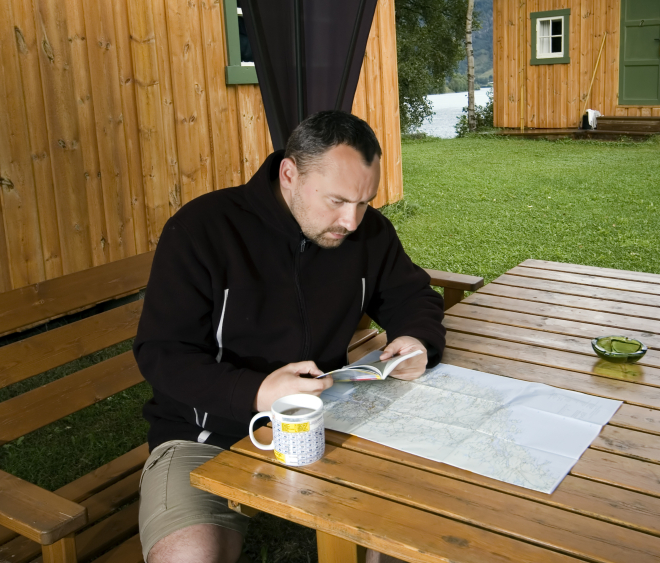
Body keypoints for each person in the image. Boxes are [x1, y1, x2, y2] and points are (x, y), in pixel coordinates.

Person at [133, 110, 446, 563]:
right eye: (337, 200)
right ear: (289, 174)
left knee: (412, 536)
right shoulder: (202, 230)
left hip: (331, 421)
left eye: (364, 201)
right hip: (205, 436)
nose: (353, 220)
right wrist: (257, 391)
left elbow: (410, 294)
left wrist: (417, 339)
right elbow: (161, 354)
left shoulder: (367, 232)